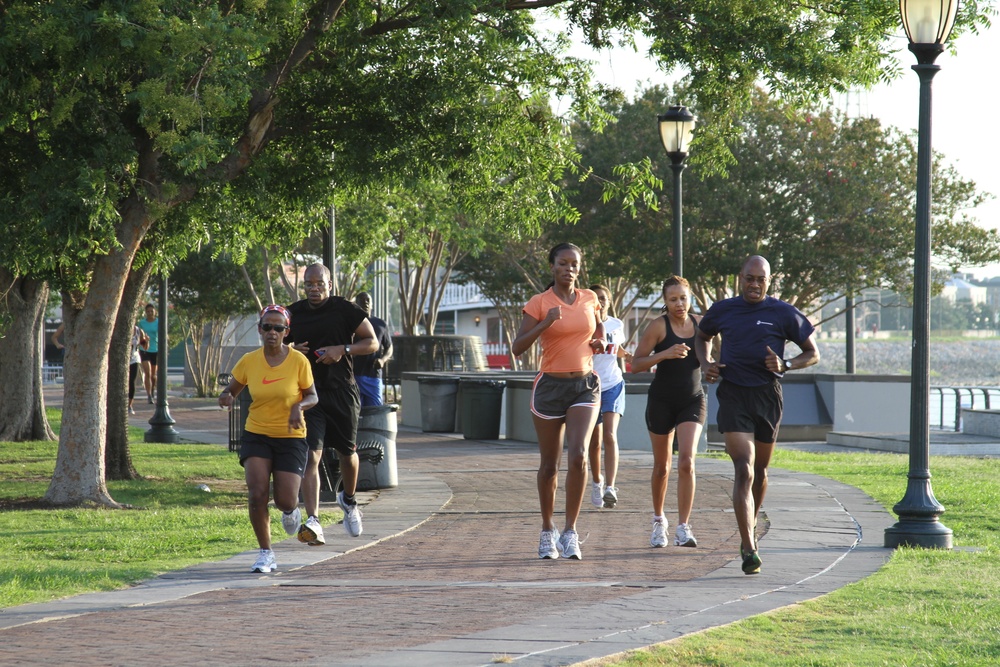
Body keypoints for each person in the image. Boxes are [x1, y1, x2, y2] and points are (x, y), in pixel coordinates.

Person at [695, 256, 819, 575]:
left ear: (769, 281)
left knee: (761, 472)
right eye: (749, 278)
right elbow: (701, 336)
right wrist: (706, 362)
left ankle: (748, 526)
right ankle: (749, 546)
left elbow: (812, 353)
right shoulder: (723, 309)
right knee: (744, 469)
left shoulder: (783, 312)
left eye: (760, 280)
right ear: (741, 278)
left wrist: (786, 364)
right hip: (733, 393)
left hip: (768, 396)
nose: (754, 284)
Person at [511, 243, 605, 560]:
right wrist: (544, 323)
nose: (569, 269)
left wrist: (600, 338)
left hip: (585, 385)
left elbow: (599, 324)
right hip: (550, 386)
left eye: (574, 264)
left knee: (578, 456)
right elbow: (517, 348)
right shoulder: (539, 303)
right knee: (550, 466)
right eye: (563, 263)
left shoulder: (590, 299)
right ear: (552, 267)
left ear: (580, 267)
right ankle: (547, 530)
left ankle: (570, 532)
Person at [219, 305, 318, 573]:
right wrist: (227, 396)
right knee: (257, 493)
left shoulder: (298, 360)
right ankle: (266, 553)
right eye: (267, 327)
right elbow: (232, 389)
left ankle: (289, 511)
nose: (272, 332)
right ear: (259, 328)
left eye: (278, 328)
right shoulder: (249, 361)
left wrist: (299, 407)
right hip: (257, 434)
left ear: (287, 332)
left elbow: (312, 395)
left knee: (285, 499)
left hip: (290, 436)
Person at [285, 264, 378, 546]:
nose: (314, 289)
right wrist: (289, 350)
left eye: (319, 284)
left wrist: (342, 349)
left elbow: (371, 342)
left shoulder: (345, 309)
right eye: (309, 284)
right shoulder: (294, 313)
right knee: (311, 456)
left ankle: (348, 500)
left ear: (330, 284)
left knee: (346, 453)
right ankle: (313, 519)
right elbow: (271, 343)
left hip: (342, 391)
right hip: (309, 394)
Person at [631, 276, 705, 549]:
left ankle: (684, 527)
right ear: (665, 301)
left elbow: (712, 357)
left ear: (690, 297)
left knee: (687, 461)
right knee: (663, 467)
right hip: (661, 401)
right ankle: (659, 522)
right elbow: (636, 364)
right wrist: (665, 354)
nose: (679, 304)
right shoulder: (658, 326)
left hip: (693, 399)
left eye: (683, 298)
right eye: (673, 299)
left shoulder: (701, 324)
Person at [587, 284, 631, 510]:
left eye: (604, 298)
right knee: (595, 441)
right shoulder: (585, 324)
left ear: (610, 301)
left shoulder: (617, 324)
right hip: (591, 385)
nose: (601, 302)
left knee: (610, 435)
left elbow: (617, 348)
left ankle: (610, 487)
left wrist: (629, 355)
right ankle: (596, 481)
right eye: (597, 298)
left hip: (613, 383)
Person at [352, 291, 394, 407]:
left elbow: (389, 347)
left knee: (375, 410)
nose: (365, 302)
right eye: (361, 300)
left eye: (368, 300)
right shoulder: (350, 323)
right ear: (356, 303)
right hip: (354, 376)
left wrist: (383, 360)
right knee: (355, 411)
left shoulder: (381, 324)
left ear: (372, 304)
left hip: (373, 375)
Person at [138, 304, 159, 404]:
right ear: (146, 312)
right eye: (148, 311)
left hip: (156, 350)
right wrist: (143, 341)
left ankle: (152, 389)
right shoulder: (142, 323)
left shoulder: (159, 322)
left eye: (152, 311)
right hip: (144, 349)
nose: (150, 313)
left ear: (155, 312)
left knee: (153, 375)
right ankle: (149, 395)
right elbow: (138, 336)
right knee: (148, 372)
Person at [128, 324, 149, 415]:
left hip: (134, 359)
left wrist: (147, 341)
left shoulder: (138, 331)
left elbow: (144, 346)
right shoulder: (119, 328)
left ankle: (129, 405)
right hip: (122, 360)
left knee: (131, 381)